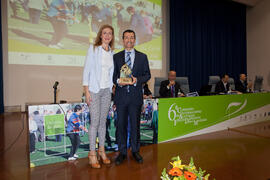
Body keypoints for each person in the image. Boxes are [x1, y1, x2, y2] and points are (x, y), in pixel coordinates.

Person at [113, 29, 151, 165]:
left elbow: (147, 75)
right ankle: (122, 152)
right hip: (121, 97)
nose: (129, 40)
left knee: (135, 126)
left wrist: (137, 80)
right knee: (121, 125)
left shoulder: (142, 57)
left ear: (135, 40)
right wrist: (119, 81)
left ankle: (135, 151)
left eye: (132, 37)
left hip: (135, 97)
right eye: (126, 37)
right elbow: (113, 77)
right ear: (123, 40)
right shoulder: (116, 57)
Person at [83, 24, 115, 168]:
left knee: (103, 123)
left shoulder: (112, 53)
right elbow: (87, 70)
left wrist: (113, 85)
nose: (107, 35)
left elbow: (111, 73)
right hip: (94, 91)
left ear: (112, 36)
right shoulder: (93, 49)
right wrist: (86, 91)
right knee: (94, 122)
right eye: (105, 33)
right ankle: (92, 154)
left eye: (110, 33)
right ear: (100, 35)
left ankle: (102, 151)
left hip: (106, 91)